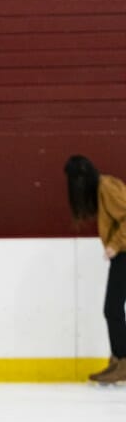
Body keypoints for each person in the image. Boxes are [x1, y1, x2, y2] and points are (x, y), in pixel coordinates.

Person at [65, 155, 126, 384]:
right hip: (122, 253)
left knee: (112, 309)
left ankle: (123, 361)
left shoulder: (106, 187)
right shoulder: (102, 188)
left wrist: (115, 244)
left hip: (125, 251)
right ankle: (119, 360)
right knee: (113, 309)